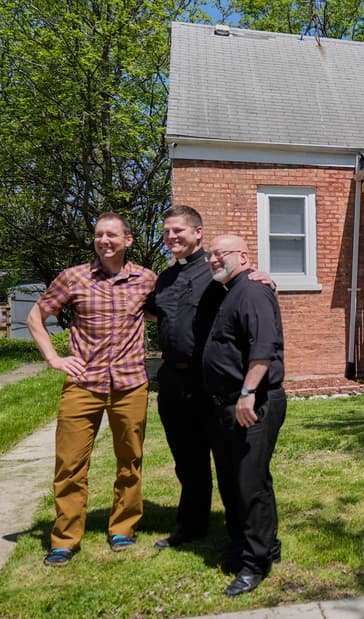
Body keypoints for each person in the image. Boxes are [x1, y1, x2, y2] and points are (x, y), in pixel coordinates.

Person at [26, 212, 157, 567]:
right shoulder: (74, 278)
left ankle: (123, 528)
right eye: (99, 235)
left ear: (127, 240)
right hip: (83, 384)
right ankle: (65, 538)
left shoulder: (146, 279)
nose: (104, 240)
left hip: (130, 385)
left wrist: (247, 279)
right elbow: (35, 316)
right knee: (69, 463)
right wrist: (54, 358)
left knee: (130, 461)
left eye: (111, 235)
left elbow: (180, 304)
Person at [146, 205, 237, 552]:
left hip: (208, 381)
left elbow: (246, 285)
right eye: (167, 232)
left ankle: (237, 530)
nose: (171, 237)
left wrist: (262, 277)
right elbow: (154, 312)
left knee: (226, 459)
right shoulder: (165, 278)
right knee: (187, 461)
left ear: (198, 232)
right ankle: (191, 527)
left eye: (178, 231)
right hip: (172, 383)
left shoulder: (216, 271)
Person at [202, 234, 287, 597]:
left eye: (220, 254)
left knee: (250, 483)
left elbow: (264, 347)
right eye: (210, 256)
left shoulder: (252, 290)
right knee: (235, 481)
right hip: (228, 404)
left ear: (244, 256)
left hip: (254, 401)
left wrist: (248, 392)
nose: (213, 260)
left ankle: (256, 564)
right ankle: (252, 545)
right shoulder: (230, 291)